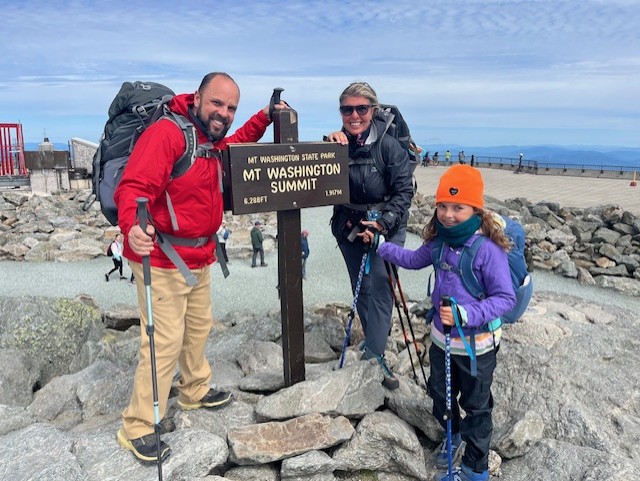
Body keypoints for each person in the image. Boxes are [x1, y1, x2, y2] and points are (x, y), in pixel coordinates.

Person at [113, 72, 286, 464]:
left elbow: (237, 144)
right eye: (217, 104)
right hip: (162, 258)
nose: (223, 113)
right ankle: (138, 426)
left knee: (198, 326)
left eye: (231, 108)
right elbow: (134, 187)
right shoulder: (168, 134)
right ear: (198, 98)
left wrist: (263, 116)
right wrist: (133, 227)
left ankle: (193, 390)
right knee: (163, 341)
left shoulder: (209, 137)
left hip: (200, 255)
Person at [371, 164, 516, 481]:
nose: (448, 214)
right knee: (440, 394)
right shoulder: (439, 244)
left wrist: (466, 315)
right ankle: (452, 435)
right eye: (443, 206)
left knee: (477, 408)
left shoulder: (488, 250)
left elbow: (506, 299)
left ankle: (475, 470)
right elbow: (411, 260)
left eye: (458, 207)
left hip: (477, 348)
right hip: (441, 341)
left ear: (475, 208)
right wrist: (381, 246)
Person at [325, 81, 414, 390]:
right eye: (347, 109)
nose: (354, 115)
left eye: (361, 109)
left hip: (385, 228)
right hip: (349, 228)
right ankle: (373, 343)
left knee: (380, 287)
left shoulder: (388, 147)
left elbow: (404, 192)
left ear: (373, 110)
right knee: (361, 288)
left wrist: (383, 224)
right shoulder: (335, 143)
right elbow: (314, 176)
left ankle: (375, 355)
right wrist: (327, 146)